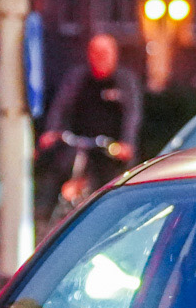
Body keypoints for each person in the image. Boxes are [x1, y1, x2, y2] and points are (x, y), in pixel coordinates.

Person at [37, 33, 143, 224]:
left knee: (113, 192)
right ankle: (50, 222)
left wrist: (126, 143)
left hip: (110, 152)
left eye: (104, 52)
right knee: (59, 175)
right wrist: (52, 131)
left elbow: (132, 115)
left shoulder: (124, 81)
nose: (99, 57)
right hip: (79, 145)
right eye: (95, 52)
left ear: (114, 54)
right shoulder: (78, 78)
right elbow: (61, 106)